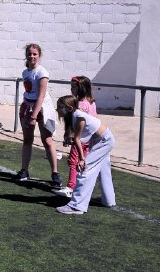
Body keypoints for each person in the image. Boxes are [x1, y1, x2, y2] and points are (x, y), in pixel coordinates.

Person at [54, 95, 116, 214]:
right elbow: (76, 138)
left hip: (104, 141)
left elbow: (77, 139)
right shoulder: (73, 116)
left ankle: (77, 206)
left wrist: (82, 159)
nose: (57, 109)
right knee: (104, 170)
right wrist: (69, 139)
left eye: (60, 107)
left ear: (69, 108)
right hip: (100, 140)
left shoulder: (79, 117)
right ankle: (108, 200)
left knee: (85, 169)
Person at [16, 43, 61, 187]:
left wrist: (34, 116)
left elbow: (40, 97)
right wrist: (26, 110)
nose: (32, 56)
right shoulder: (25, 72)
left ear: (39, 55)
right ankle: (24, 170)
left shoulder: (42, 73)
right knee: (27, 140)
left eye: (34, 54)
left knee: (47, 141)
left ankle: (55, 173)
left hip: (42, 109)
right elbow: (29, 92)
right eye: (29, 54)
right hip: (28, 106)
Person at [56, 76, 98, 198]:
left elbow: (77, 122)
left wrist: (70, 136)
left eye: (74, 87)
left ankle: (71, 187)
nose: (71, 89)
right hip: (89, 138)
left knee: (74, 161)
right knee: (82, 162)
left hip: (81, 138)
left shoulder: (80, 105)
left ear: (81, 88)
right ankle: (81, 188)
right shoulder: (91, 103)